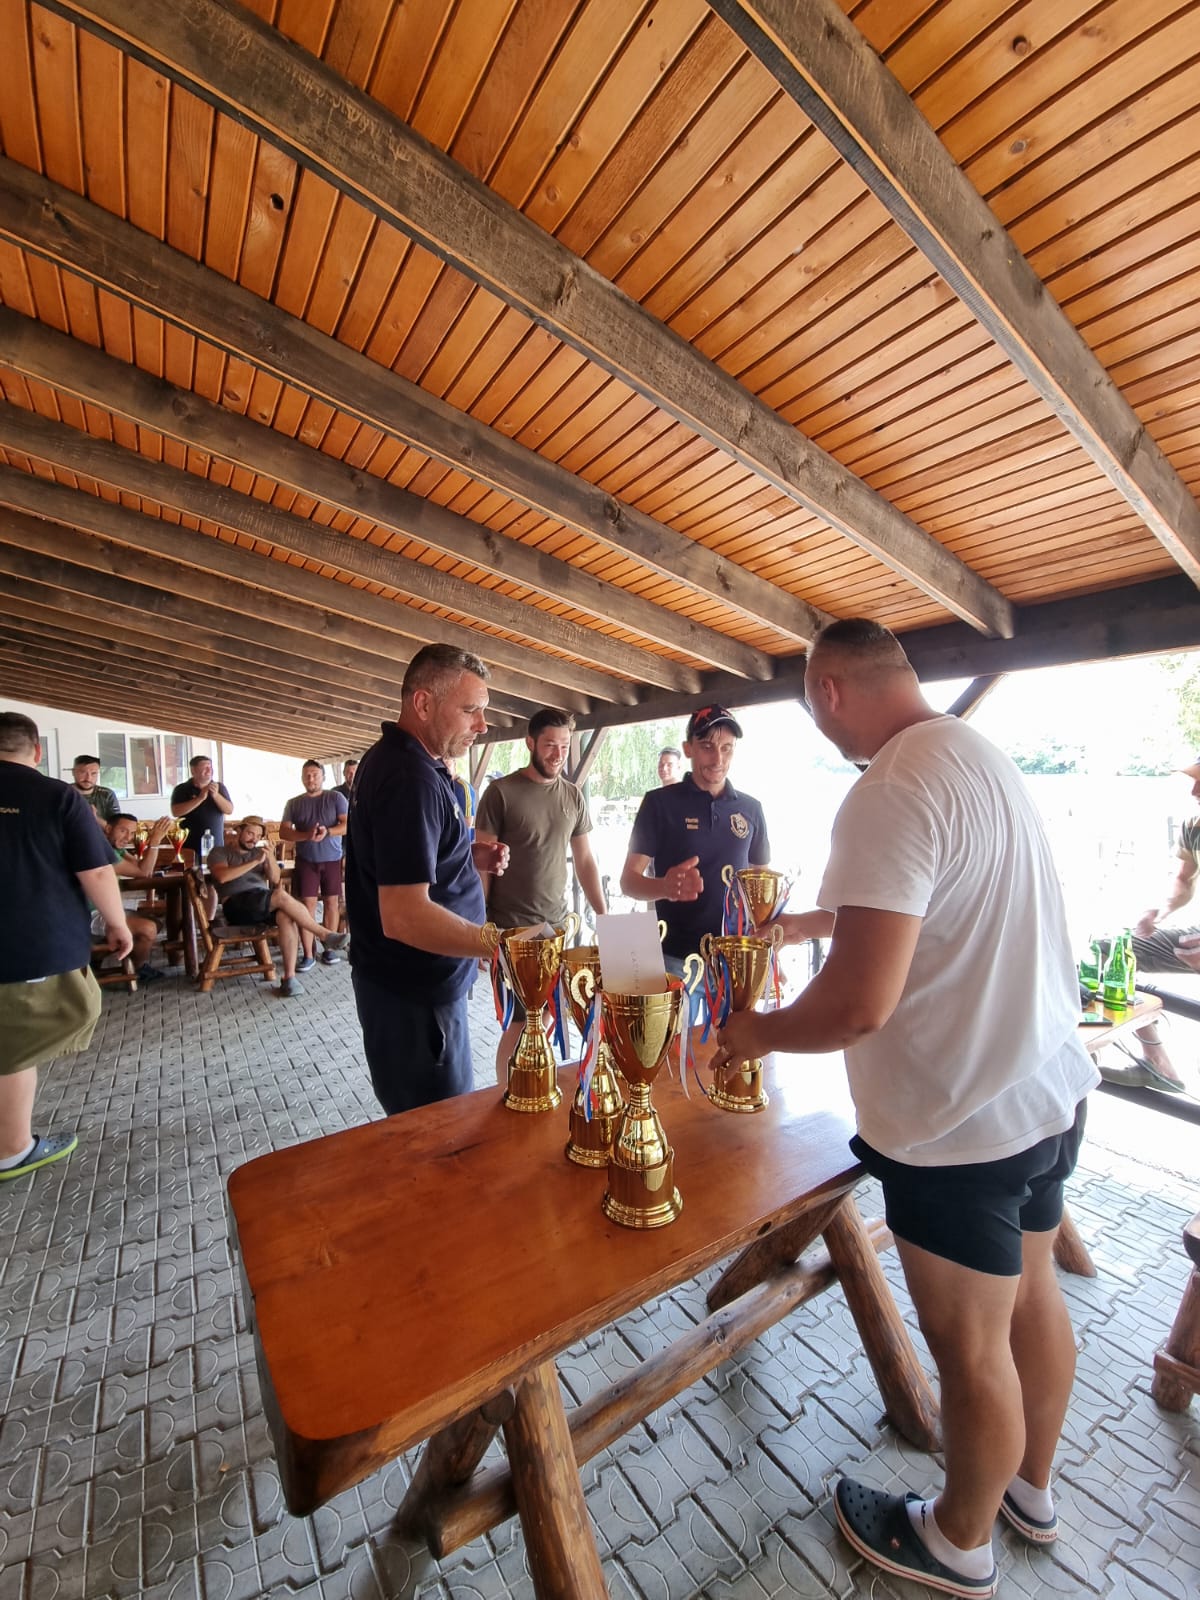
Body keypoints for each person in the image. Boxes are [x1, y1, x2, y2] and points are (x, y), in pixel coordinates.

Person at [711, 620, 1098, 1598]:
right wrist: (811, 921)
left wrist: (755, 1031)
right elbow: (937, 899)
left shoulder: (885, 787)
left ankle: (957, 1539)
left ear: (829, 690)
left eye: (813, 707)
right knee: (1032, 1299)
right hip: (1046, 1092)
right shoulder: (976, 755)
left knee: (970, 1350)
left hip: (959, 1129)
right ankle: (1029, 1491)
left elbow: (858, 1004)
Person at [344, 643, 509, 1115]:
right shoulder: (408, 778)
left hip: (413, 993)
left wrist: (466, 854)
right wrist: (498, 946)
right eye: (471, 710)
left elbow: (404, 858)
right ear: (422, 704)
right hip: (415, 1001)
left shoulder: (402, 762)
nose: (482, 725)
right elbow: (403, 915)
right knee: (441, 1133)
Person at [1, 712, 132, 1181]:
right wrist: (117, 923)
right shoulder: (57, 796)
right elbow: (96, 870)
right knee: (13, 1048)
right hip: (29, 943)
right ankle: (12, 1150)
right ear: (37, 751)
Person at [475, 709, 607, 1083]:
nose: (558, 754)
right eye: (550, 745)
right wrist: (481, 928)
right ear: (530, 743)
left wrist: (604, 915)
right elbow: (481, 865)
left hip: (558, 930)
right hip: (512, 932)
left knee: (552, 1013)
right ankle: (505, 1091)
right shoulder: (500, 793)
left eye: (564, 746)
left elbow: (585, 861)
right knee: (520, 1020)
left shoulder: (573, 796)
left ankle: (530, 1080)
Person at [620, 706, 770, 974]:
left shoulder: (751, 809)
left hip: (735, 959)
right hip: (672, 958)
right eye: (707, 747)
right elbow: (629, 882)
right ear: (687, 748)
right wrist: (665, 887)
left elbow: (762, 890)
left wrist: (769, 953)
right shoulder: (659, 803)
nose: (718, 758)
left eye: (727, 748)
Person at [1121, 759, 1200, 1091]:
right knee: (1113, 951)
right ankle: (1158, 1064)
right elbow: (1183, 879)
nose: (1194, 791)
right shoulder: (1194, 826)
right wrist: (1161, 909)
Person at [207, 816, 349, 999]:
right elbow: (222, 877)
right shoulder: (220, 852)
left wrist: (270, 858)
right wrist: (254, 862)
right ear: (239, 831)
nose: (253, 839)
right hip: (236, 904)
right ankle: (324, 935)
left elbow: (275, 879)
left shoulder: (258, 852)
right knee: (281, 895)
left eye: (258, 836)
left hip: (261, 901)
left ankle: (289, 978)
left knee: (286, 916)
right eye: (250, 833)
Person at [280, 759, 349, 970]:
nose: (311, 779)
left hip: (332, 858)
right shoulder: (293, 803)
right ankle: (308, 954)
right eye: (307, 775)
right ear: (302, 778)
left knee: (331, 903)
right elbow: (284, 832)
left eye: (315, 775)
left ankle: (329, 949)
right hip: (306, 860)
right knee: (307, 906)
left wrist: (328, 832)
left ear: (323, 777)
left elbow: (347, 824)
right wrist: (306, 835)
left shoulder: (336, 798)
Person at [105, 813, 173, 983]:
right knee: (148, 928)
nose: (127, 837)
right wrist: (155, 840)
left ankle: (124, 959)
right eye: (123, 830)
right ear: (108, 829)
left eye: (132, 833)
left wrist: (153, 842)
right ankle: (134, 970)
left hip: (108, 909)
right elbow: (144, 872)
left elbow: (140, 866)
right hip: (91, 913)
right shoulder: (103, 851)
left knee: (156, 922)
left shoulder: (114, 848)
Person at [71, 754, 120, 835]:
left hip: (102, 840)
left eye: (93, 773)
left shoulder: (107, 794)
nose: (88, 778)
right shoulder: (63, 794)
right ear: (73, 772)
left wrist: (95, 817)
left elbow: (116, 830)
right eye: (83, 772)